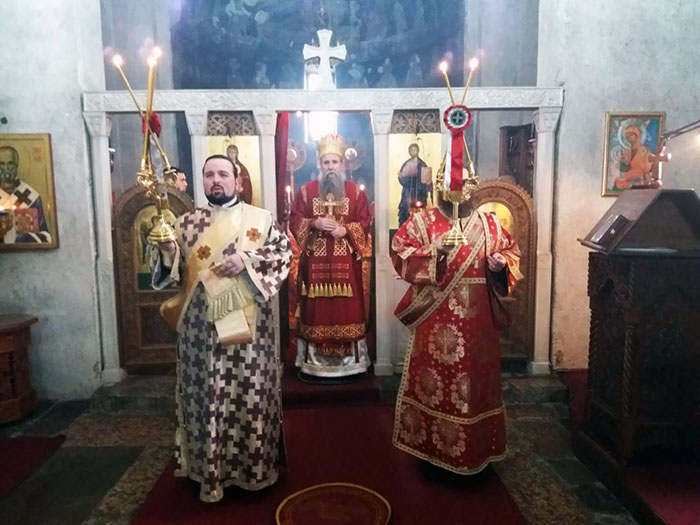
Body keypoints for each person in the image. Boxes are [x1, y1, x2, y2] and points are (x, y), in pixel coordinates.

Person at [151, 154, 291, 502]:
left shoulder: (261, 219)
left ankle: (253, 468)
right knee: (208, 396)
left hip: (251, 335)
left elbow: (284, 255)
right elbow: (171, 273)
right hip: (201, 333)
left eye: (223, 174)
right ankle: (209, 470)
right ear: (203, 181)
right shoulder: (185, 223)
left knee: (249, 395)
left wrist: (247, 260)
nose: (216, 180)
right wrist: (167, 251)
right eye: (209, 174)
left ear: (237, 181)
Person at [390, 181, 522, 474]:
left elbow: (511, 253)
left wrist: (501, 264)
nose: (459, 194)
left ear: (473, 189)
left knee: (475, 388)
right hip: (436, 323)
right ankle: (431, 450)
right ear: (441, 188)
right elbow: (399, 252)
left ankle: (478, 451)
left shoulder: (489, 223)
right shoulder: (422, 222)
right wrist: (433, 250)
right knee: (436, 385)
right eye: (453, 187)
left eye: (464, 187)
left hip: (479, 327)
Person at [289, 133, 372, 379]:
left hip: (346, 266)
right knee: (316, 312)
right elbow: (295, 219)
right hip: (315, 266)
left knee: (348, 310)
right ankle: (314, 365)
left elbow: (365, 221)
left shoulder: (355, 193)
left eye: (335, 162)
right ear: (319, 164)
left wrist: (346, 230)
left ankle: (351, 365)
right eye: (326, 162)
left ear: (342, 164)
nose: (331, 167)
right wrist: (314, 223)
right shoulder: (306, 192)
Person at [0, 145, 52, 243]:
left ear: (16, 165)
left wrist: (24, 238)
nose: (6, 168)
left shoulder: (31, 197)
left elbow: (46, 237)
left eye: (10, 163)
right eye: (2, 164)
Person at [397, 143, 430, 226]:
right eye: (411, 150)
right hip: (407, 191)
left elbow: (426, 180)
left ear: (418, 151)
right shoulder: (406, 164)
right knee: (405, 210)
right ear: (409, 151)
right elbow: (402, 178)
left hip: (419, 191)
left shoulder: (422, 164)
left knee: (419, 212)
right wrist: (407, 180)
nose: (413, 152)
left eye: (414, 150)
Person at [614, 124, 652, 189]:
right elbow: (622, 170)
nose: (629, 138)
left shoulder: (645, 150)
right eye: (627, 136)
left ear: (637, 135)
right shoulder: (626, 151)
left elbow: (646, 170)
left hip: (639, 179)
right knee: (619, 183)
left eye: (631, 135)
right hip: (627, 179)